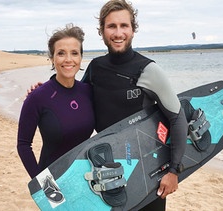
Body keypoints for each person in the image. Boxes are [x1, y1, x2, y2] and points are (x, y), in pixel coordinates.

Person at [28, 1, 187, 210]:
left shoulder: (148, 70)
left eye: (124, 26)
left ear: (133, 30)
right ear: (102, 31)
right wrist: (45, 92)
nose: (118, 33)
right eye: (111, 26)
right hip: (107, 170)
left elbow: (177, 118)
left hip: (147, 171)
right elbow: (72, 98)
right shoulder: (96, 68)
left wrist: (174, 171)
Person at [17, 24, 95, 179]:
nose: (68, 59)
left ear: (80, 58)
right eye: (61, 53)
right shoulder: (37, 98)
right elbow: (24, 145)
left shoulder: (88, 91)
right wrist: (42, 183)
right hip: (53, 178)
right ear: (52, 58)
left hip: (85, 177)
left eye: (74, 53)